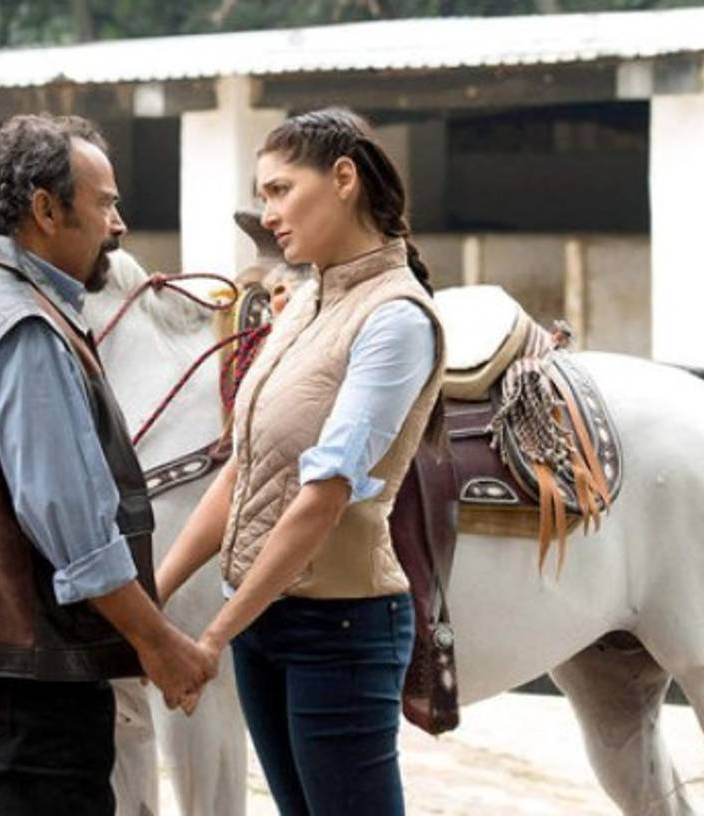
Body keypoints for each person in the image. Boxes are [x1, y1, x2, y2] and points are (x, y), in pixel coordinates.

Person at [0, 113, 216, 815]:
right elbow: (75, 531)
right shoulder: (25, 330)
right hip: (35, 669)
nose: (118, 225)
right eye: (105, 204)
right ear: (45, 209)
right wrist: (158, 642)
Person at [156, 108, 446, 815]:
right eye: (263, 196)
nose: (268, 214)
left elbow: (323, 498)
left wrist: (210, 639)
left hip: (339, 630)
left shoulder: (395, 317)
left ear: (344, 178)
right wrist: (152, 600)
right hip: (264, 624)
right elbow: (244, 469)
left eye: (281, 190)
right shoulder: (309, 297)